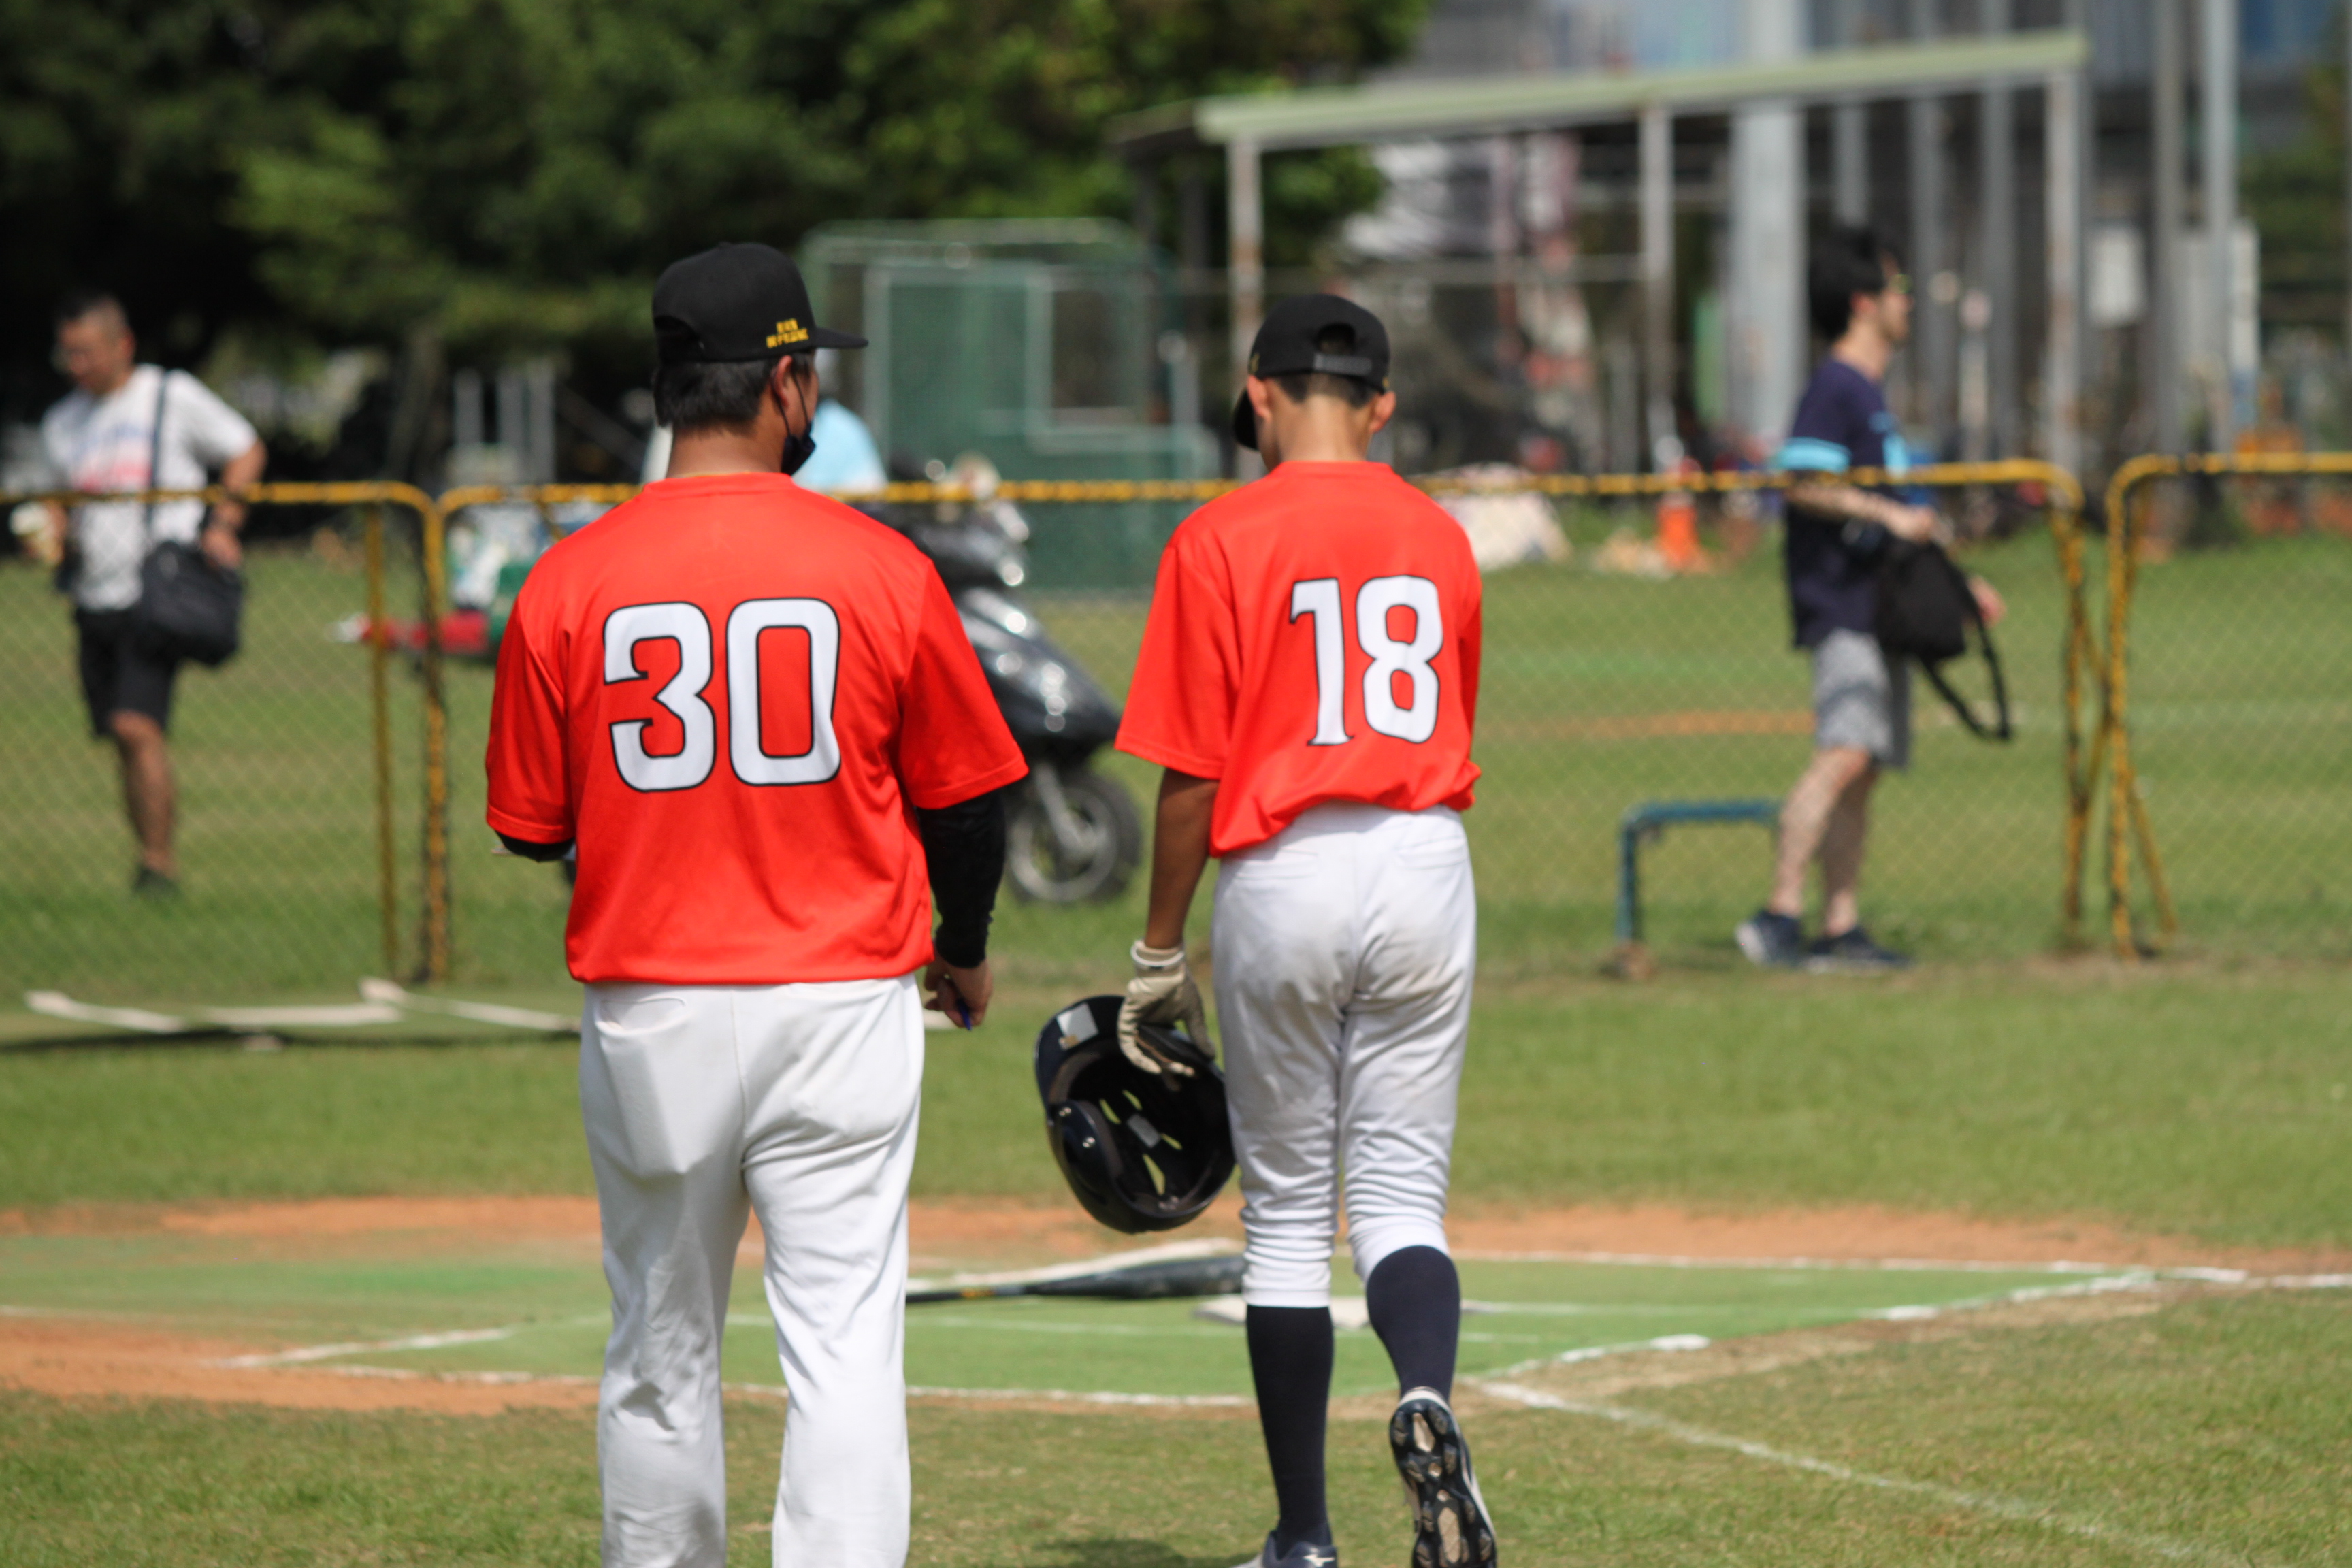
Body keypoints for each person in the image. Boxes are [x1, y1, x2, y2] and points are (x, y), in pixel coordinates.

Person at [485, 242, 1026, 1568]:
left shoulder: (569, 576)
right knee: (843, 1345)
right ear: (785, 384)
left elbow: (529, 826)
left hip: (651, 1002)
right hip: (840, 999)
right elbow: (969, 800)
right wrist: (961, 948)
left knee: (659, 1348)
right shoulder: (882, 564)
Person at [1114, 295, 1495, 1568]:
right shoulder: (1441, 535)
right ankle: (1425, 1392)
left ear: (1259, 393)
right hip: (1424, 855)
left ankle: (1305, 1539)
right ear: (1382, 406)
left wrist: (1159, 949)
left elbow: (1189, 776)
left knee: (1287, 1220)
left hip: (1283, 864)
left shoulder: (1218, 536)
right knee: (1401, 1198)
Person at [1735, 227, 2004, 972]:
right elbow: (1802, 483)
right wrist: (1886, 515)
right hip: (1843, 603)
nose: (1907, 303)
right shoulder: (1838, 387)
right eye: (1898, 290)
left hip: (1881, 605)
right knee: (1845, 753)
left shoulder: (1870, 395)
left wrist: (1958, 585)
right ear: (1863, 302)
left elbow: (1900, 512)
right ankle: (1778, 915)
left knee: (1867, 767)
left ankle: (1839, 928)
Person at [38, 290, 267, 897]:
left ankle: (159, 866)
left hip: (156, 592)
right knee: (120, 734)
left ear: (123, 345)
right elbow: (59, 500)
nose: (78, 366)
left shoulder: (169, 395)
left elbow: (245, 449)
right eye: (68, 355)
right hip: (94, 594)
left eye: (87, 352)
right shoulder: (62, 422)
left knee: (136, 725)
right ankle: (147, 858)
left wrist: (224, 524)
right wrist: (52, 535)